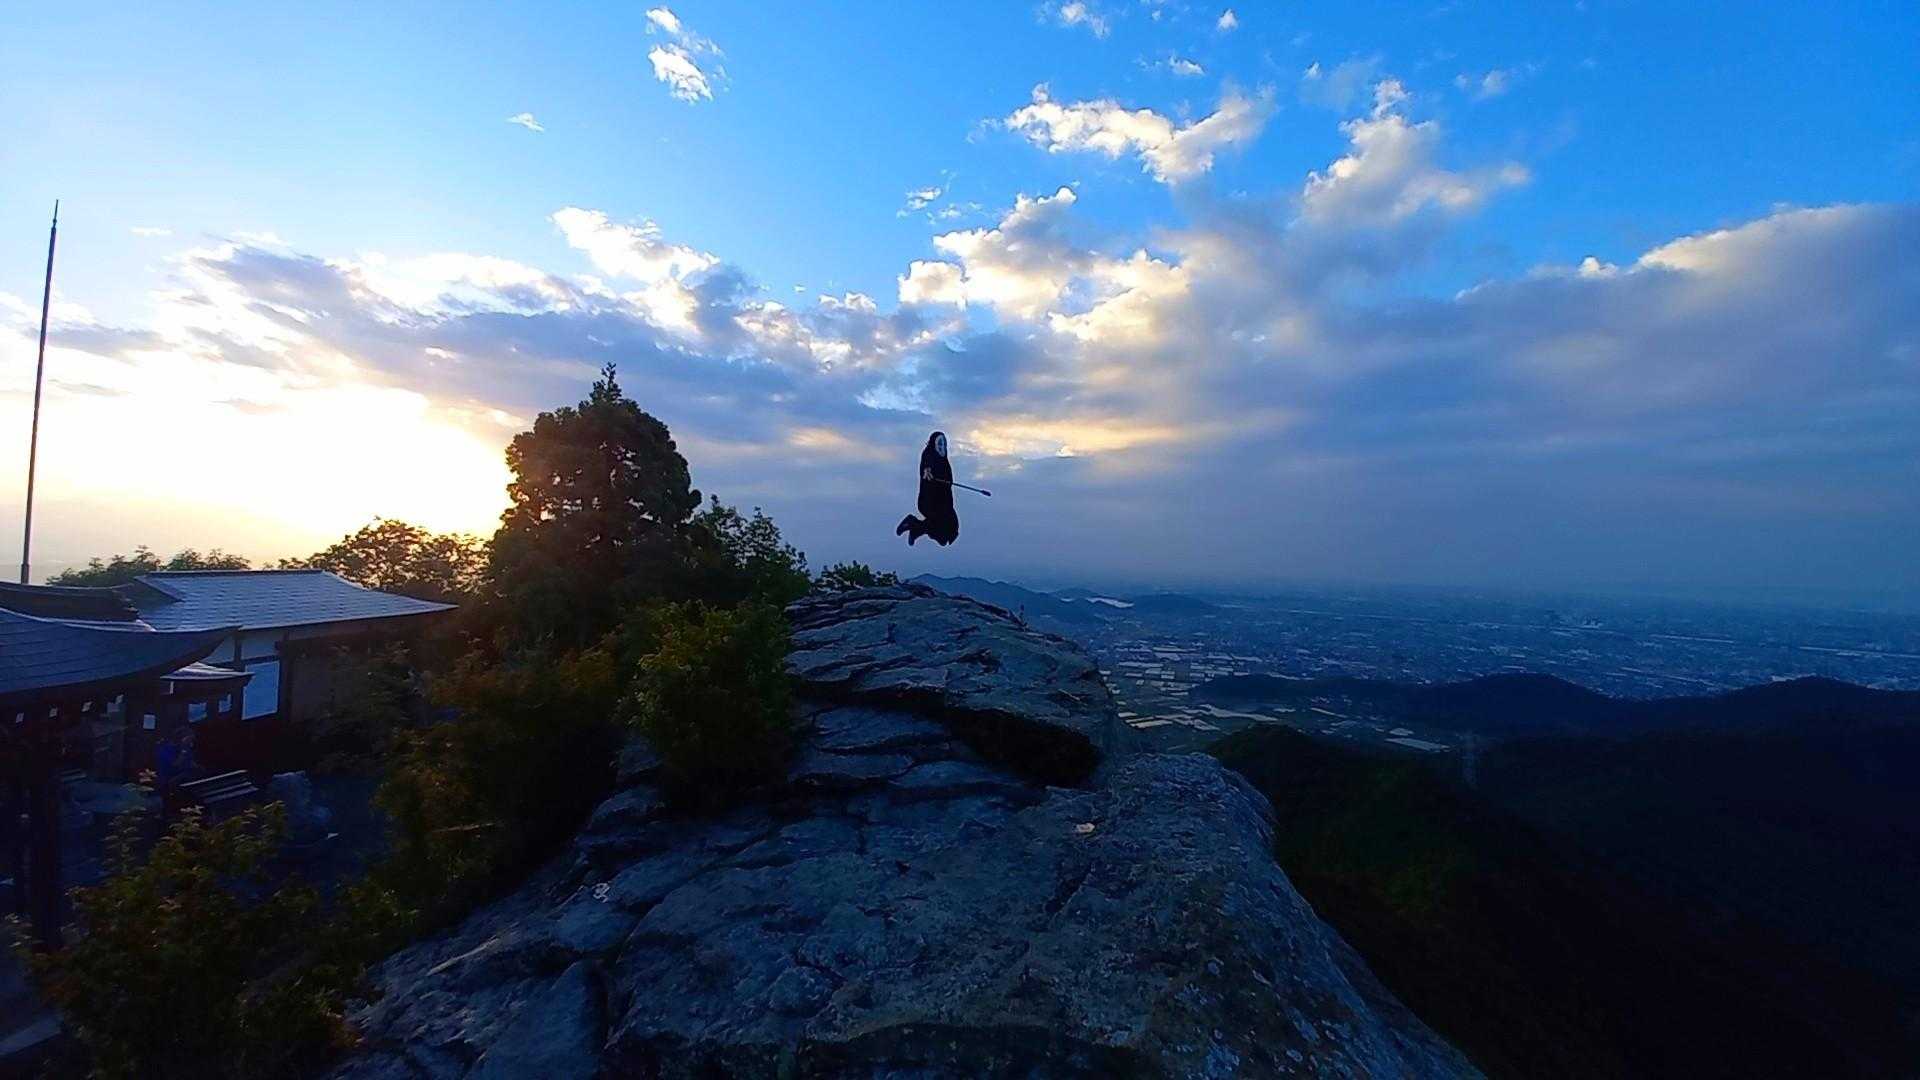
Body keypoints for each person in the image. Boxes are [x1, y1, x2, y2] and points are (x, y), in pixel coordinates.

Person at [896, 431, 960, 546]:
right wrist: (927, 471)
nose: (942, 446)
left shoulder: (945, 462)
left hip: (944, 505)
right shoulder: (929, 455)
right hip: (930, 503)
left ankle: (915, 528)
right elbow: (927, 466)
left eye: (944, 444)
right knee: (942, 528)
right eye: (939, 443)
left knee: (946, 535)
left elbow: (947, 484)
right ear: (933, 444)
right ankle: (912, 523)